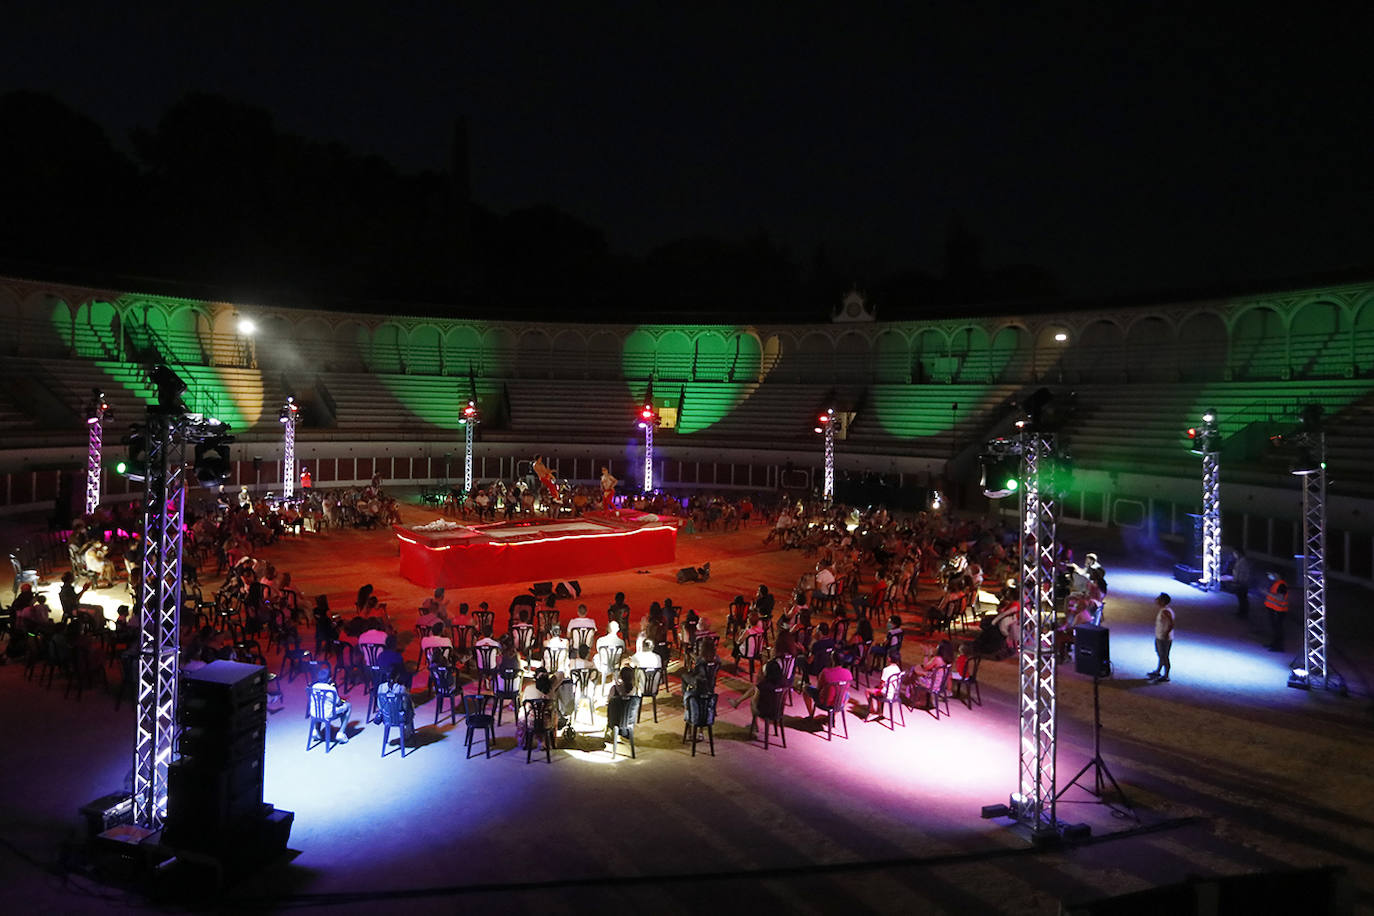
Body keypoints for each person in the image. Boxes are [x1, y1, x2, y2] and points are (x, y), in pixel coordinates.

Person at [1147, 593, 1175, 682]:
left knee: (1164, 656)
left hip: (1164, 637)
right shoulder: (1164, 610)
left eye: (1158, 599)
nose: (1156, 600)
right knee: (1161, 655)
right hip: (1160, 636)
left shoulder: (1165, 611)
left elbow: (1171, 623)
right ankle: (1158, 671)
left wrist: (1166, 634)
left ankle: (1166, 675)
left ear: (1162, 601)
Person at [1263, 572, 1288, 651]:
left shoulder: (1281, 585)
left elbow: (1280, 598)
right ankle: (1274, 644)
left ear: (1278, 575)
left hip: (1279, 610)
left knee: (1278, 629)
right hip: (1274, 609)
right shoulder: (1277, 583)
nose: (1270, 576)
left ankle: (1278, 646)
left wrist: (1266, 593)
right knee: (1275, 628)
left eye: (1273, 574)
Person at [1229, 549, 1253, 619]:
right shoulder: (1240, 561)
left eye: (1235, 554)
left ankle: (1243, 613)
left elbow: (1243, 573)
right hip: (1240, 582)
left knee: (1242, 598)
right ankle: (1241, 612)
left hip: (1242, 583)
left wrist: (1238, 580)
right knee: (1241, 598)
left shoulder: (1243, 562)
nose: (1234, 555)